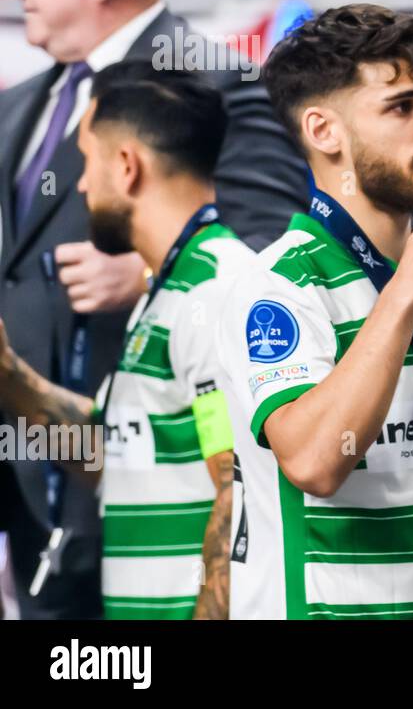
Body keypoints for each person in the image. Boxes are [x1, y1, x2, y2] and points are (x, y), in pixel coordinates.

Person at [0, 0, 306, 620]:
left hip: (156, 497)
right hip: (29, 504)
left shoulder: (218, 83)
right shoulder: (16, 105)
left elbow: (274, 257)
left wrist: (146, 273)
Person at [219, 4, 413, 619]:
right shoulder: (277, 284)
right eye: (401, 106)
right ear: (324, 132)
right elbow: (315, 462)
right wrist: (402, 295)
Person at [0, 60, 249, 619]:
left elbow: (238, 490)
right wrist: (8, 374)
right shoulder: (170, 288)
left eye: (87, 163)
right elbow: (114, 453)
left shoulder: (213, 290)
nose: (83, 184)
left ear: (127, 166)